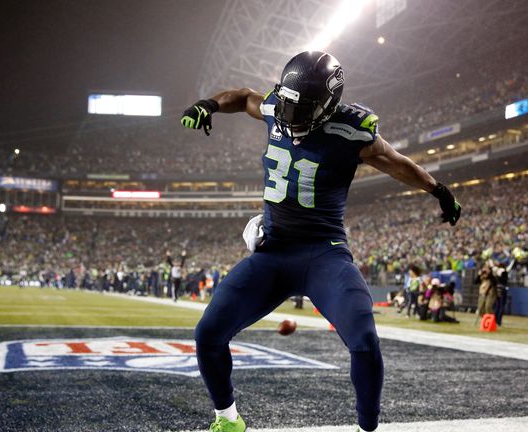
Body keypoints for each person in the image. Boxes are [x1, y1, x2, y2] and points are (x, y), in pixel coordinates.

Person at [181, 51, 461, 432]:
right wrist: (210, 104)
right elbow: (244, 96)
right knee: (207, 334)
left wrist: (438, 190)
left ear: (328, 106)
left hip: (324, 254)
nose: (288, 115)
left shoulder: (351, 131)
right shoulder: (277, 106)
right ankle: (228, 420)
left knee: (364, 340)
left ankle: (367, 427)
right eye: (286, 104)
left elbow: (396, 162)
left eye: (301, 109)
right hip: (273, 252)